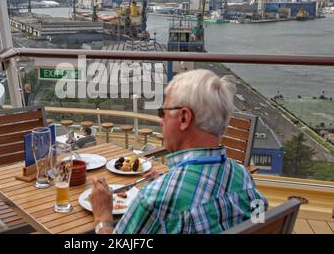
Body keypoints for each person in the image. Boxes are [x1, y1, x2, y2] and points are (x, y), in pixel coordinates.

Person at [89, 69, 268, 234]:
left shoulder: (154, 200)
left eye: (162, 112)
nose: (160, 121)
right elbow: (258, 221)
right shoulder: (244, 179)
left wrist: (103, 216)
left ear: (184, 117)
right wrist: (169, 183)